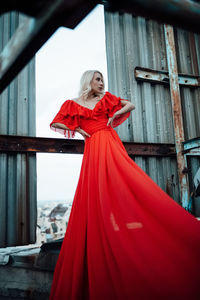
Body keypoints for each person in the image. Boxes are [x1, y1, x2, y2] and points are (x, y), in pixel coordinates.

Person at [49, 70, 200, 300]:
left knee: (127, 181)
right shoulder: (74, 103)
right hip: (92, 151)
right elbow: (57, 121)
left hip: (110, 143)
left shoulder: (106, 98)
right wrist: (78, 129)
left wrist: (114, 114)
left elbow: (130, 105)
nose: (101, 83)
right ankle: (106, 234)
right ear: (88, 80)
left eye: (102, 79)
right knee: (96, 192)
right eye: (98, 79)